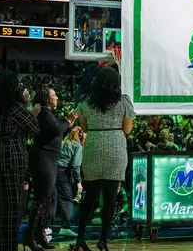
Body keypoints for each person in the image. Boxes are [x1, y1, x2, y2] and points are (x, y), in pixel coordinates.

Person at [0, 73, 41, 251]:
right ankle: (6, 247)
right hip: (9, 159)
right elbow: (33, 126)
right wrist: (26, 104)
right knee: (9, 210)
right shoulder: (12, 107)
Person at [74, 67, 134, 251]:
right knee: (109, 198)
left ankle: (80, 238)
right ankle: (103, 241)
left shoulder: (86, 102)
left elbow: (83, 127)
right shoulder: (124, 102)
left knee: (89, 196)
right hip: (115, 147)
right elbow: (127, 130)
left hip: (93, 146)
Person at [26, 87, 74, 250]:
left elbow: (57, 131)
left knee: (46, 200)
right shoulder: (45, 113)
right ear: (47, 98)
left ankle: (39, 235)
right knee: (41, 199)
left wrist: (66, 124)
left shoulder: (48, 114)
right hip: (43, 160)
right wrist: (68, 122)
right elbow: (56, 129)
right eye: (54, 95)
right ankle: (30, 235)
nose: (57, 97)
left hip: (49, 160)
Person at [56, 127, 83, 237]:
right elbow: (76, 165)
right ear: (80, 135)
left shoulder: (60, 142)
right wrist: (79, 182)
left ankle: (45, 227)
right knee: (67, 200)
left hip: (52, 170)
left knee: (52, 200)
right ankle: (65, 227)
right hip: (63, 173)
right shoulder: (77, 146)